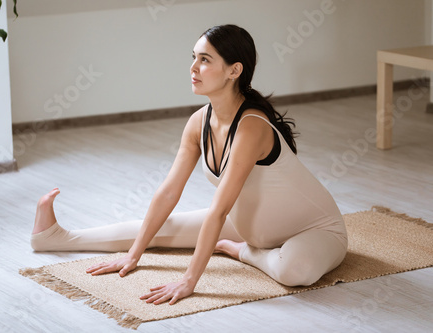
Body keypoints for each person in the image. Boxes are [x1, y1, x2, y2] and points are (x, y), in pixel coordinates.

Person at [31, 24, 347, 306]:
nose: (193, 67)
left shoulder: (251, 127)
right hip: (249, 225)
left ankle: (243, 252)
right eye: (194, 57)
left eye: (205, 60)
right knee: (156, 229)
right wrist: (134, 255)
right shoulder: (199, 122)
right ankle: (55, 237)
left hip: (312, 230)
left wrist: (188, 280)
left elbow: (219, 210)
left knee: (294, 271)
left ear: (234, 70)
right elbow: (169, 193)